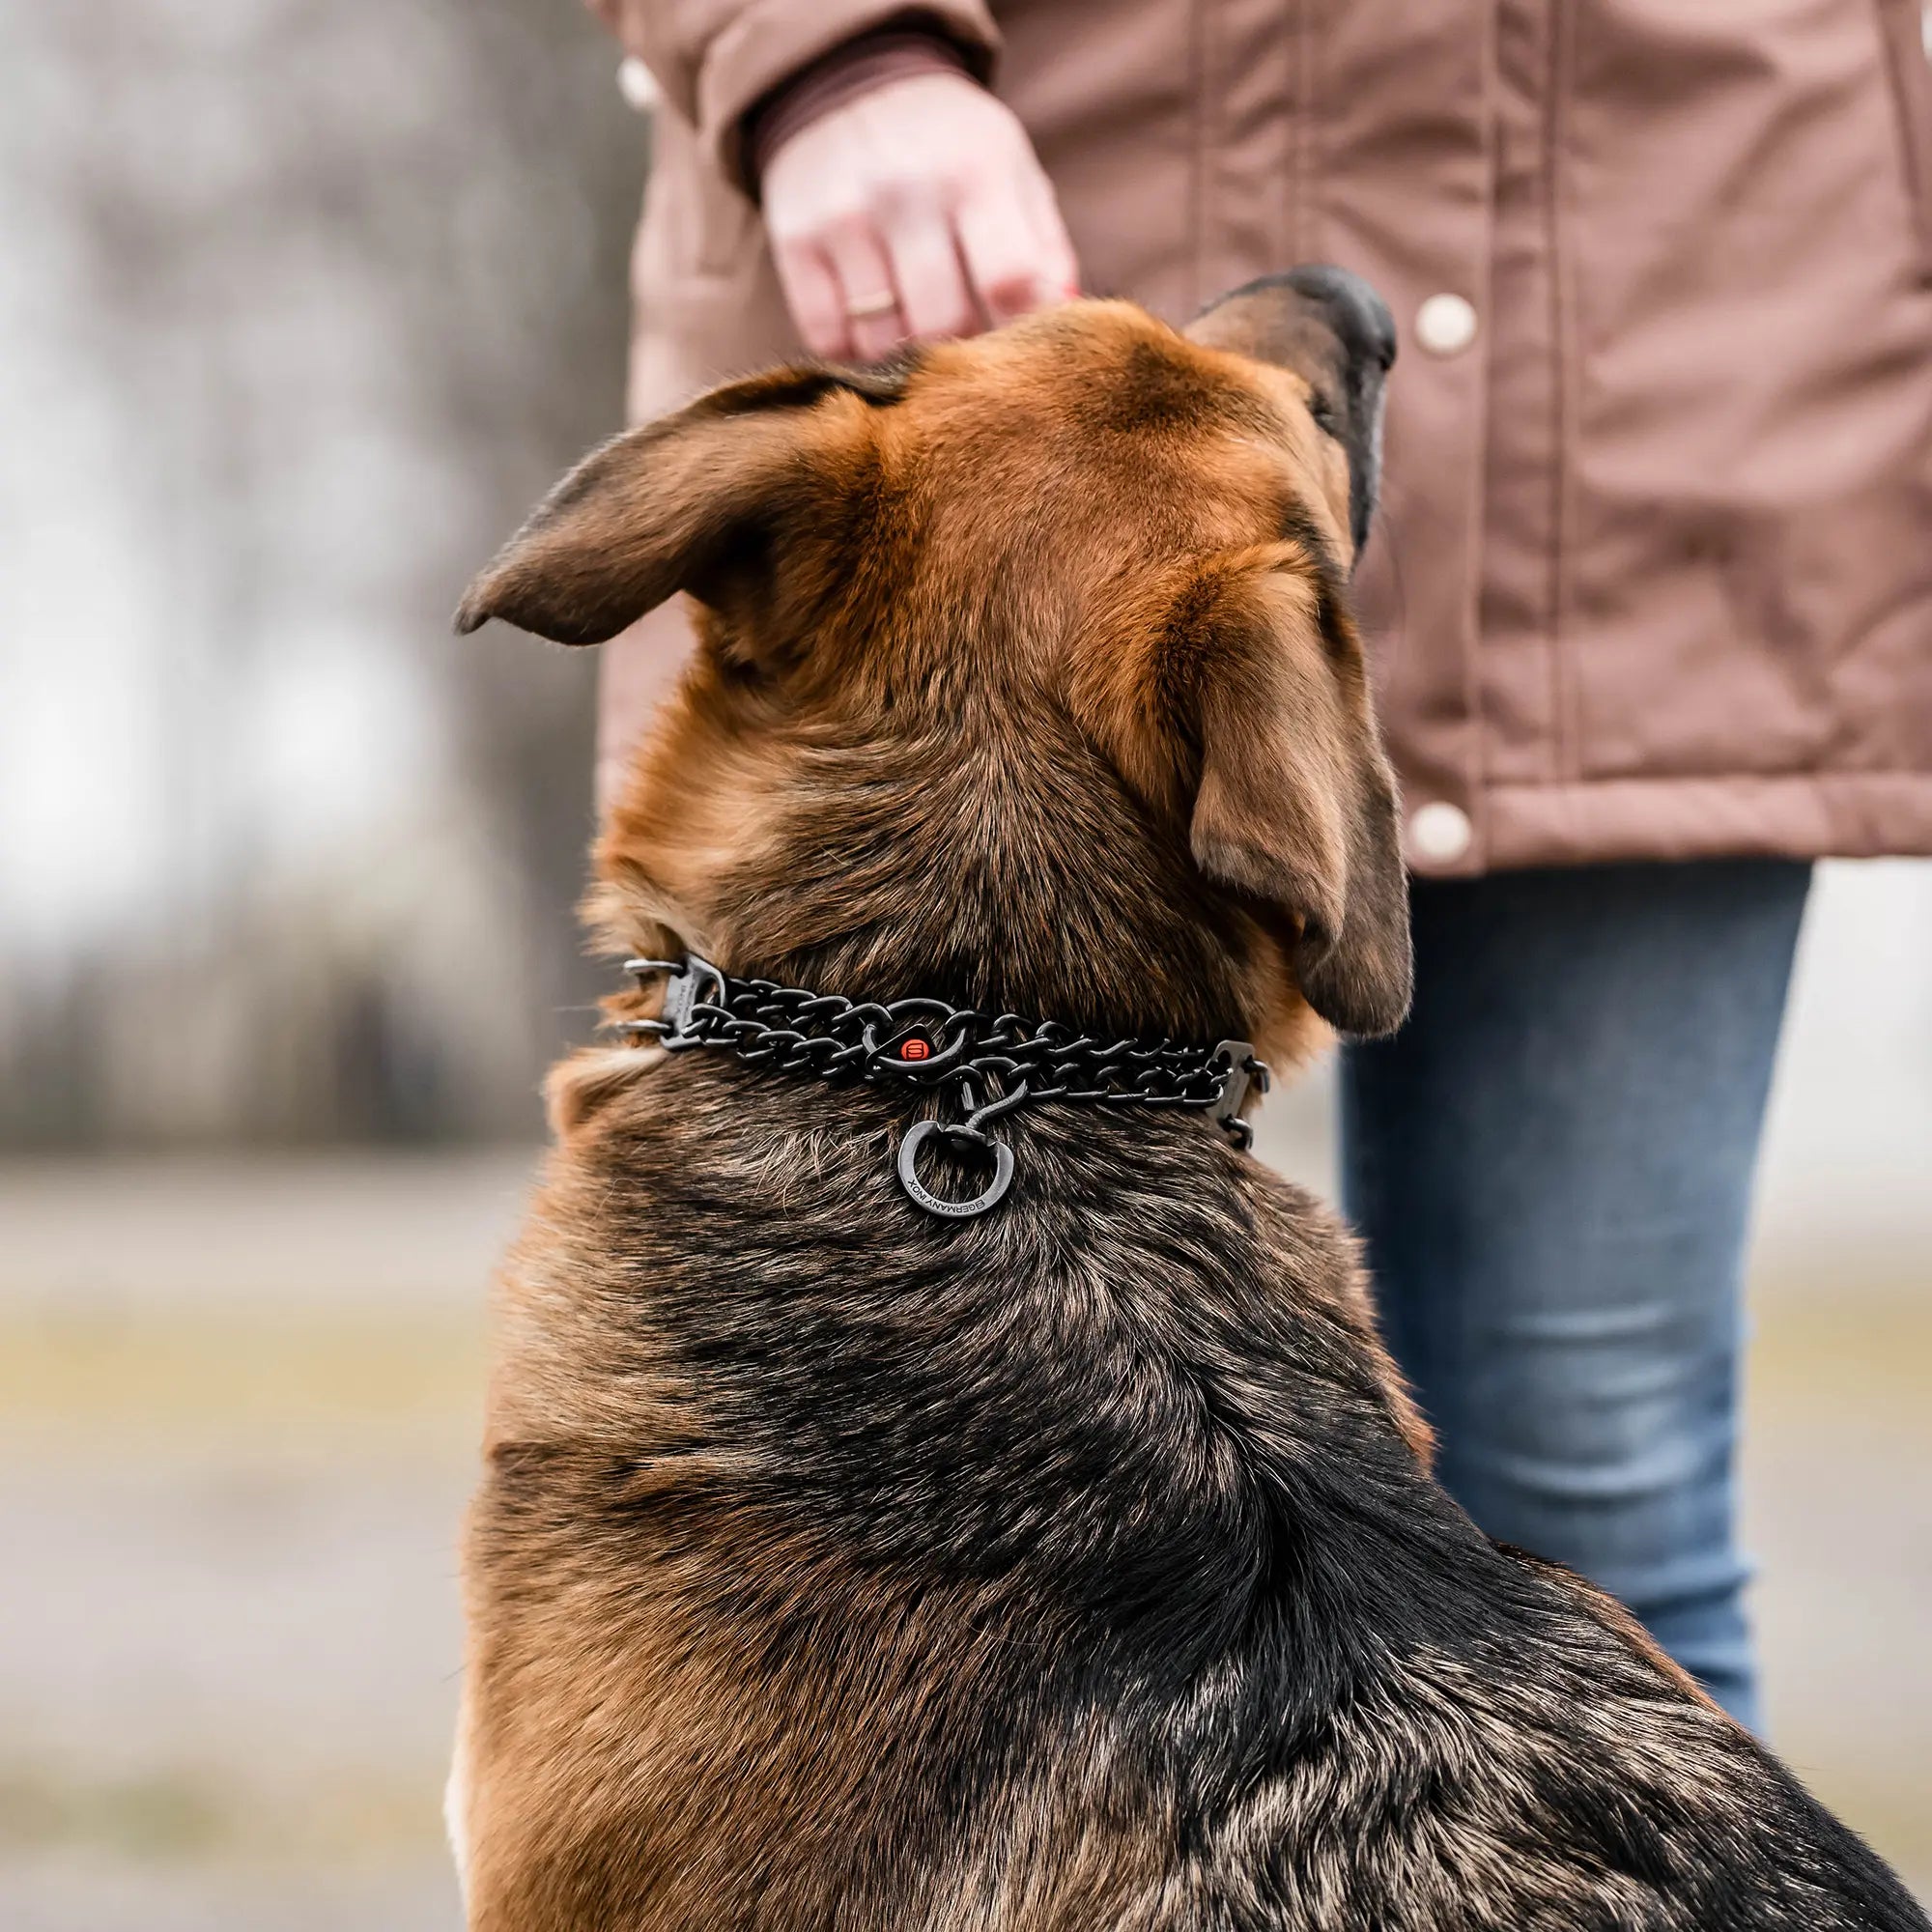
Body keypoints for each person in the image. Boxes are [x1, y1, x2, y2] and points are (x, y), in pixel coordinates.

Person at [583, 0, 1932, 1732]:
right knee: (786, 1558)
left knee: (1600, 1519)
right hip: (1009, 209)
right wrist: (825, 51)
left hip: (1659, 294)